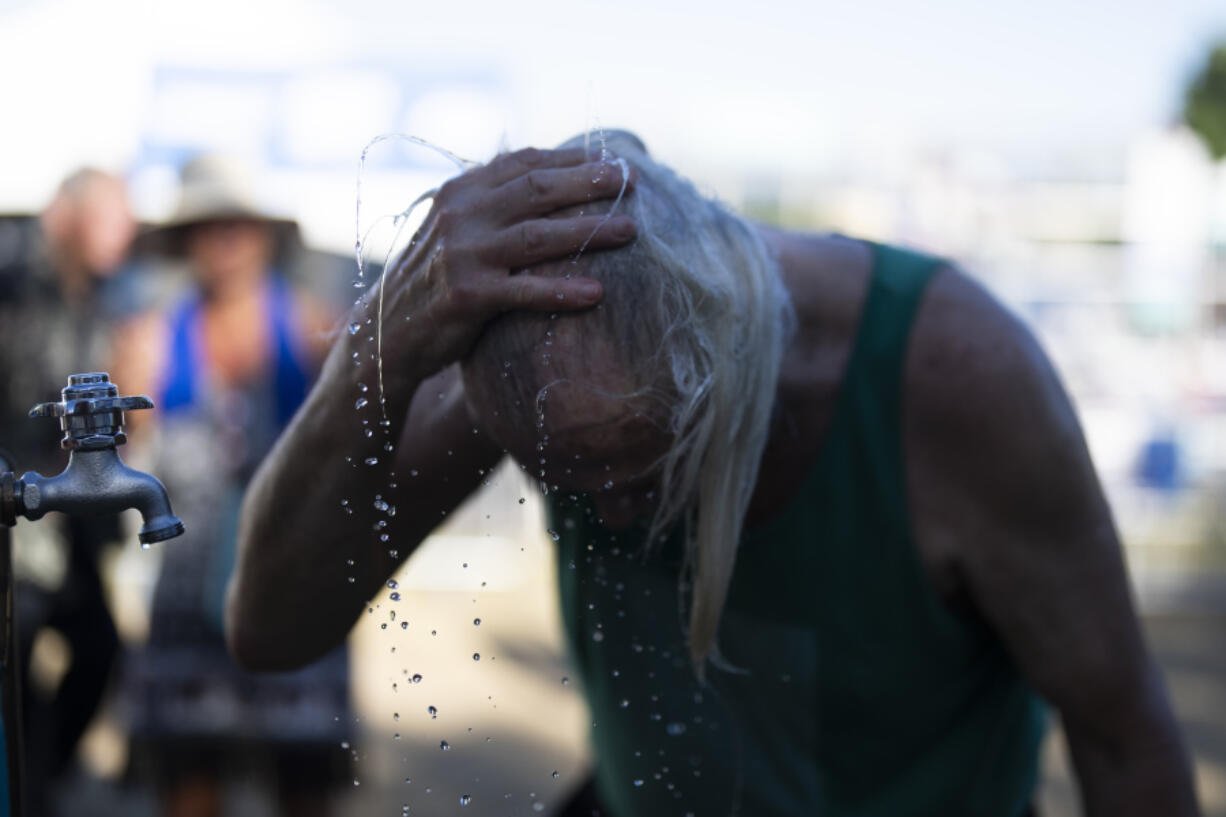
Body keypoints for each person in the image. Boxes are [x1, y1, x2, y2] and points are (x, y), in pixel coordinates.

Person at [224, 133, 1200, 816]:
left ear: (727, 373)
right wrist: (372, 351)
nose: (606, 509)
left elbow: (1121, 736)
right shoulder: (532, 360)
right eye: (559, 476)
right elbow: (268, 631)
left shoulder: (954, 381)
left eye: (643, 466)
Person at [115, 154, 345, 817]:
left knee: (303, 787)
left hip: (296, 590)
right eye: (208, 225)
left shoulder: (313, 329)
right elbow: (124, 458)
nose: (224, 240)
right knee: (189, 787)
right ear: (186, 238)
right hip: (187, 602)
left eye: (237, 224)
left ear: (264, 233)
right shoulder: (151, 342)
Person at [0, 167, 137, 815]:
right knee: (16, 647)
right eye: (110, 215)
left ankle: (41, 780)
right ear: (70, 217)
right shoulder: (14, 280)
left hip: (64, 516)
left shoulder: (99, 297)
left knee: (100, 646)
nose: (126, 230)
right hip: (15, 504)